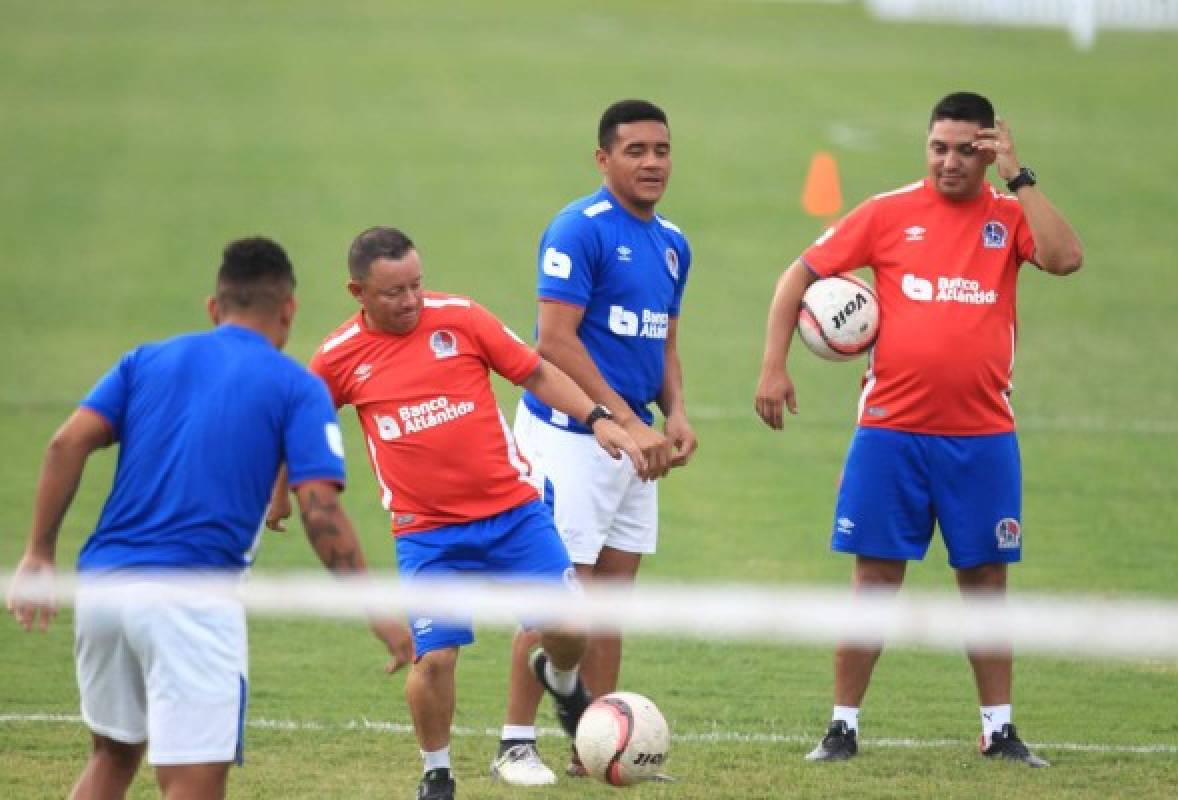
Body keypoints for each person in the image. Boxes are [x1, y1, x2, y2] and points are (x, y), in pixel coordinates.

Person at [6, 237, 410, 800]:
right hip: (190, 601)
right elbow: (320, 509)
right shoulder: (295, 387)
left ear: (214, 307)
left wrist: (39, 555)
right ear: (289, 309)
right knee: (192, 782)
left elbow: (64, 445)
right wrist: (376, 611)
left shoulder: (145, 360)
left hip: (100, 589)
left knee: (112, 756)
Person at [755, 91, 1083, 767]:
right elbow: (799, 276)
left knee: (986, 584)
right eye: (939, 147)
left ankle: (999, 729)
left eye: (967, 150)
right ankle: (842, 726)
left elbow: (1065, 257)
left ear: (989, 151)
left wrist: (1020, 177)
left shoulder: (1008, 217)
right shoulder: (887, 212)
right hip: (891, 434)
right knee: (873, 581)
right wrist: (773, 367)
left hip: (983, 437)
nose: (950, 162)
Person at [305, 225, 647, 800]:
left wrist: (597, 417)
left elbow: (534, 370)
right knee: (434, 659)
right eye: (394, 292)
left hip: (514, 513)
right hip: (428, 534)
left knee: (571, 628)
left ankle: (558, 677)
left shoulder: (461, 318)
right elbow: (301, 422)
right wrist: (279, 488)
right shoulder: (337, 358)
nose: (412, 300)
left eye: (417, 284)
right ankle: (437, 772)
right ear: (356, 292)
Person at [495, 97, 698, 785]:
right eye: (636, 150)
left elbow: (663, 341)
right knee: (561, 596)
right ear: (603, 158)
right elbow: (553, 341)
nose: (651, 162)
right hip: (571, 438)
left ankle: (592, 747)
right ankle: (515, 744)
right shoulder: (577, 229)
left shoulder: (673, 242)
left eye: (661, 150)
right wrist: (622, 419)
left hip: (632, 442)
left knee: (610, 603)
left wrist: (674, 414)